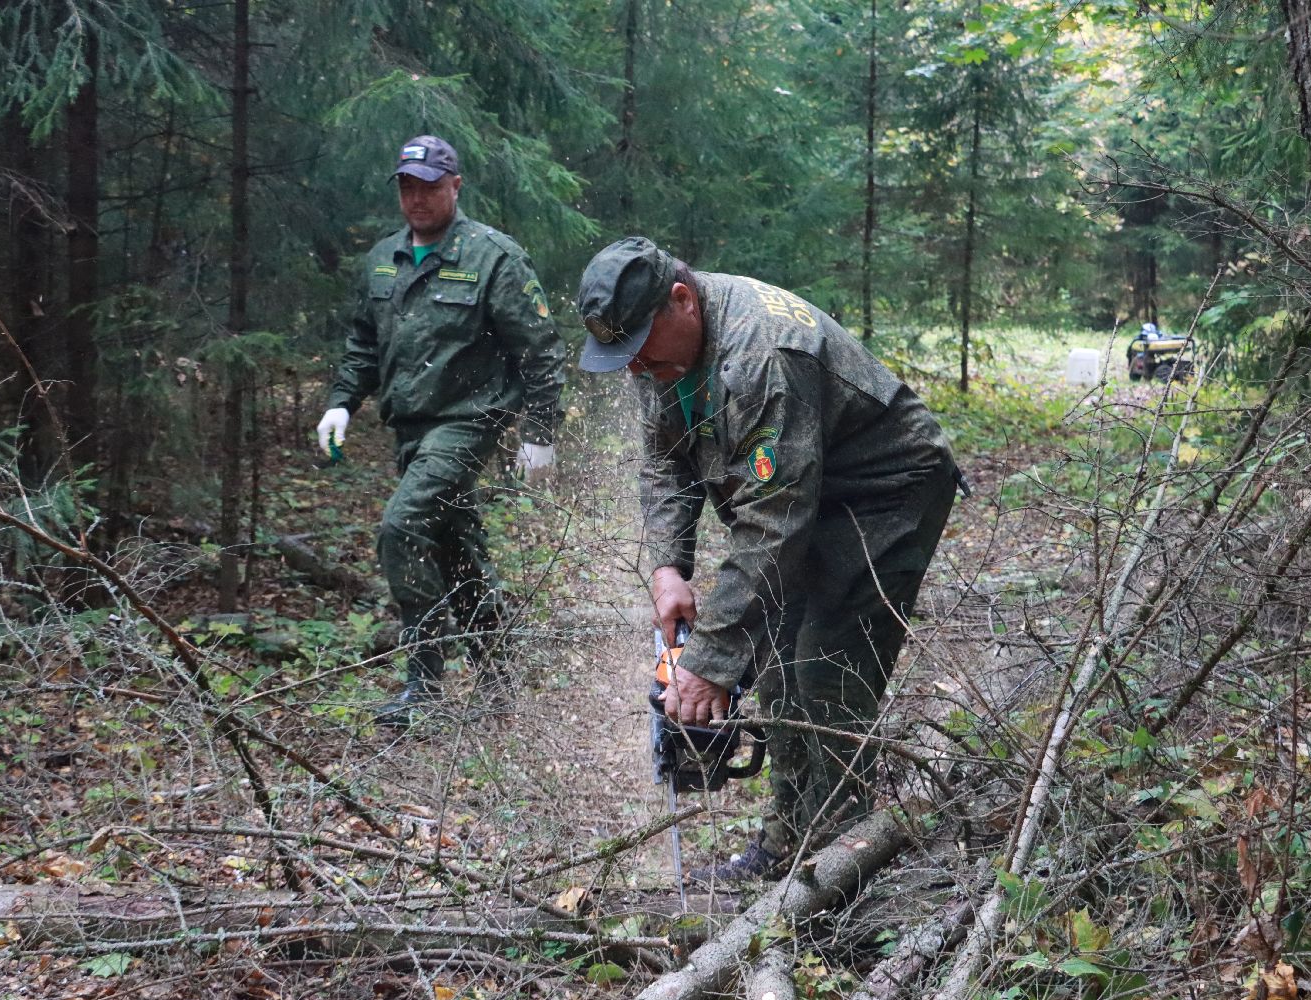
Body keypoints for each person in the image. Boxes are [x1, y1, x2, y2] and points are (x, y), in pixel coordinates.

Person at [576, 236, 959, 882]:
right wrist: (668, 567)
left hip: (885, 492)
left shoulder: (762, 356)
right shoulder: (659, 357)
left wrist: (709, 663)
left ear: (682, 300)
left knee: (825, 668)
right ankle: (787, 842)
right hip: (806, 493)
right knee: (776, 656)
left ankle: (839, 873)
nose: (635, 369)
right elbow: (665, 461)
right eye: (625, 355)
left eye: (641, 347)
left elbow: (773, 527)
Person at [316, 135, 566, 727]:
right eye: (408, 186)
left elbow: (541, 349)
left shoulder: (493, 257)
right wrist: (341, 404)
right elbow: (362, 345)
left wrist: (540, 432)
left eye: (430, 185)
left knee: (402, 528)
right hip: (410, 428)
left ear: (454, 185)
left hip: (468, 422)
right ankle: (501, 680)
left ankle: (423, 687)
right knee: (457, 553)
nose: (417, 197)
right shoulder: (384, 258)